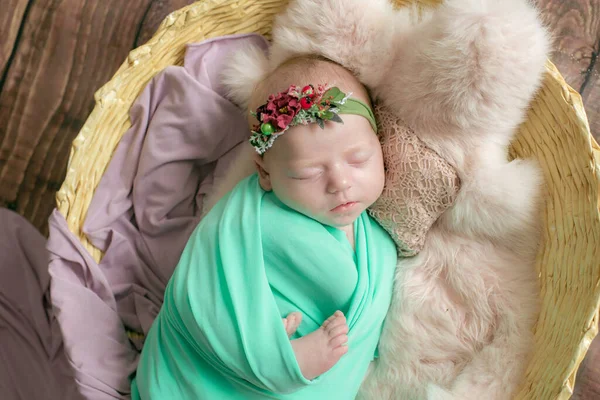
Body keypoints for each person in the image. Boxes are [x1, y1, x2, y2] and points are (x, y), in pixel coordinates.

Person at [130, 56, 398, 399]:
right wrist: (273, 353)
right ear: (266, 173)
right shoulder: (244, 219)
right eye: (308, 173)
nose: (340, 183)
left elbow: (368, 323)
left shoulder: (379, 240)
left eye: (359, 159)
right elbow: (197, 298)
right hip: (216, 378)